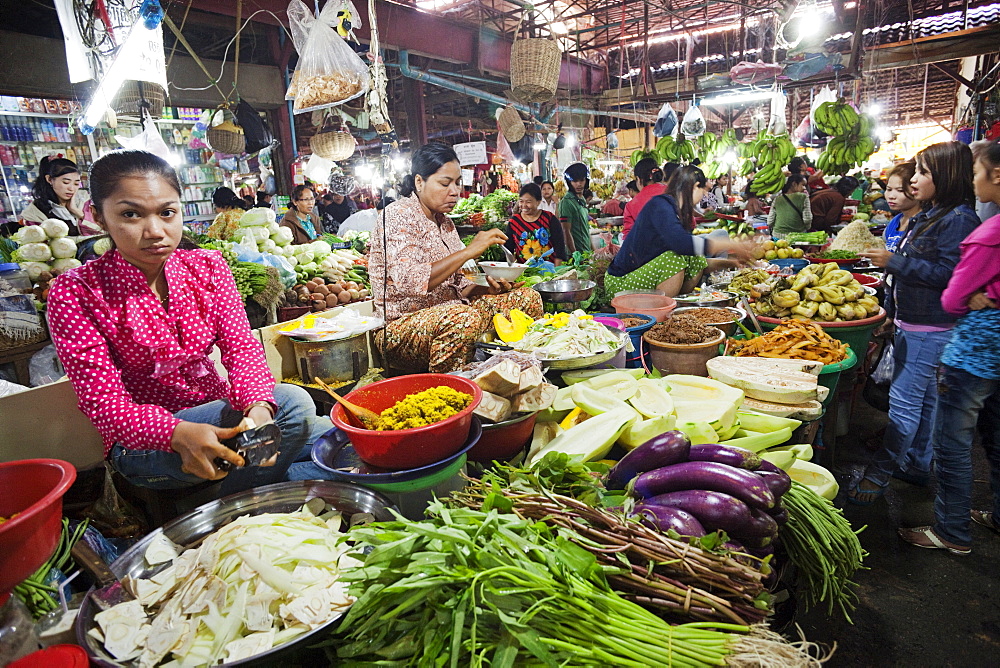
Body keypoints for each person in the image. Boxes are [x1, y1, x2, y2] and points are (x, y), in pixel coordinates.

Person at [45, 150, 328, 495]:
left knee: (337, 436)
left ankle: (235, 488)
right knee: (295, 406)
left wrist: (257, 408)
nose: (154, 231)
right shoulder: (76, 291)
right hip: (144, 441)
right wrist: (176, 434)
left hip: (219, 409)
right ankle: (230, 507)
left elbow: (241, 349)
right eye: (130, 214)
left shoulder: (207, 267)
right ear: (99, 217)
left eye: (167, 213)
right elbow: (104, 404)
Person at [850, 142, 982, 506]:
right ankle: (917, 465)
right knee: (924, 405)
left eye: (923, 172)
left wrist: (894, 262)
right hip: (916, 322)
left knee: (905, 406)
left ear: (945, 176)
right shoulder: (935, 214)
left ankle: (879, 474)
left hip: (931, 328)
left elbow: (950, 275)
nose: (914, 181)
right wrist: (893, 308)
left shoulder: (958, 220)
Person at [898, 139, 1000, 554]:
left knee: (953, 445)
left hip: (974, 350)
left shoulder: (983, 231)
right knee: (994, 439)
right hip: (992, 353)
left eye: (979, 171)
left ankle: (952, 532)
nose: (975, 180)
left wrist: (976, 293)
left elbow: (952, 297)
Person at [368, 143, 543, 373]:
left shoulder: (445, 222)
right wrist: (470, 250)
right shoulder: (398, 216)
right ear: (419, 182)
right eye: (444, 183)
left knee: (527, 298)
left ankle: (514, 375)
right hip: (400, 330)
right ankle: (450, 389)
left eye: (458, 182)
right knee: (461, 317)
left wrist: (489, 290)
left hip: (454, 314)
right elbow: (412, 282)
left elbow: (458, 287)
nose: (455, 191)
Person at [605, 166, 753, 297]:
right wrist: (726, 244)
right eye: (704, 190)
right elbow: (681, 244)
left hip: (639, 277)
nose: (705, 196)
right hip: (620, 284)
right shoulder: (660, 205)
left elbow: (696, 257)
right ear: (695, 186)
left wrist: (732, 263)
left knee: (693, 257)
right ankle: (663, 315)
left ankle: (679, 303)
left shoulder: (675, 210)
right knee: (673, 259)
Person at [20, 157, 87, 234]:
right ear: (49, 179)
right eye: (66, 182)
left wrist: (76, 211)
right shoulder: (36, 211)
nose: (71, 188)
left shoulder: (85, 200)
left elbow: (100, 231)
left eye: (76, 184)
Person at [506, 183, 567, 263]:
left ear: (538, 202)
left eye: (528, 202)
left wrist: (557, 270)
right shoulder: (514, 222)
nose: (524, 205)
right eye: (521, 201)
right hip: (524, 272)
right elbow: (508, 250)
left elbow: (559, 246)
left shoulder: (549, 218)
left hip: (549, 271)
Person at [622, 158, 666, 239]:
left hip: (648, 249)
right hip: (679, 248)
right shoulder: (674, 192)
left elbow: (629, 237)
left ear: (638, 179)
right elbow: (690, 223)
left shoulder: (631, 205)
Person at [882, 161, 920, 252]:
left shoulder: (923, 225)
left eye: (900, 190)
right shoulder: (894, 222)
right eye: (889, 189)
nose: (891, 196)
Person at [558, 163, 593, 255]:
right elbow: (566, 231)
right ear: (569, 182)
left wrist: (593, 250)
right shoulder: (567, 202)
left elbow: (585, 229)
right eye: (575, 181)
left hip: (586, 252)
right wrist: (575, 255)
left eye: (582, 180)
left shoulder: (581, 200)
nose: (579, 184)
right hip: (576, 256)